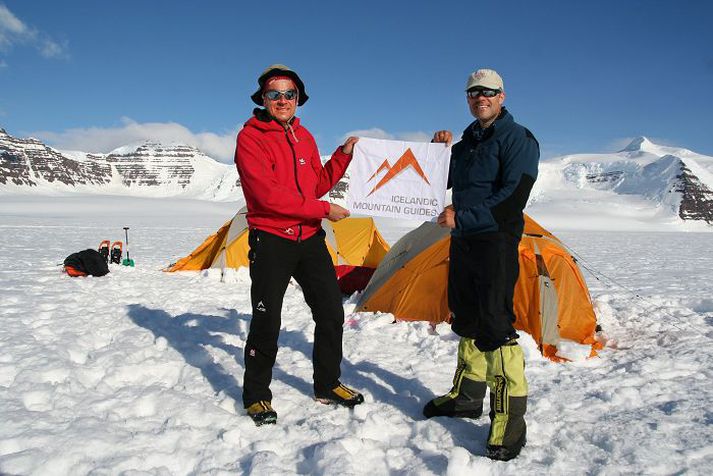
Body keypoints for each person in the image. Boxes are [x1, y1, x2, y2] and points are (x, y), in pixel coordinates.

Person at [234, 64, 364, 426]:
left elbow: (316, 184)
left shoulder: (304, 138)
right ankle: (257, 396)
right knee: (266, 320)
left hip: (309, 239)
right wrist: (324, 210)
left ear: (298, 99)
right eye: (274, 94)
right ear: (263, 98)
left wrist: (343, 155)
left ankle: (327, 383)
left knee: (330, 313)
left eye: (289, 94)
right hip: (273, 239)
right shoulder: (251, 138)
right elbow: (268, 196)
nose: (282, 100)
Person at [425, 68, 539, 461]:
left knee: (496, 325)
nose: (481, 98)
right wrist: (438, 152)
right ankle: (467, 397)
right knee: (467, 316)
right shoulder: (467, 142)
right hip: (464, 242)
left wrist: (465, 219)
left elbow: (513, 197)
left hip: (495, 240)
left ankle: (510, 420)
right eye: (474, 93)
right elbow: (440, 181)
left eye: (488, 92)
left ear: (502, 96)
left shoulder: (517, 138)